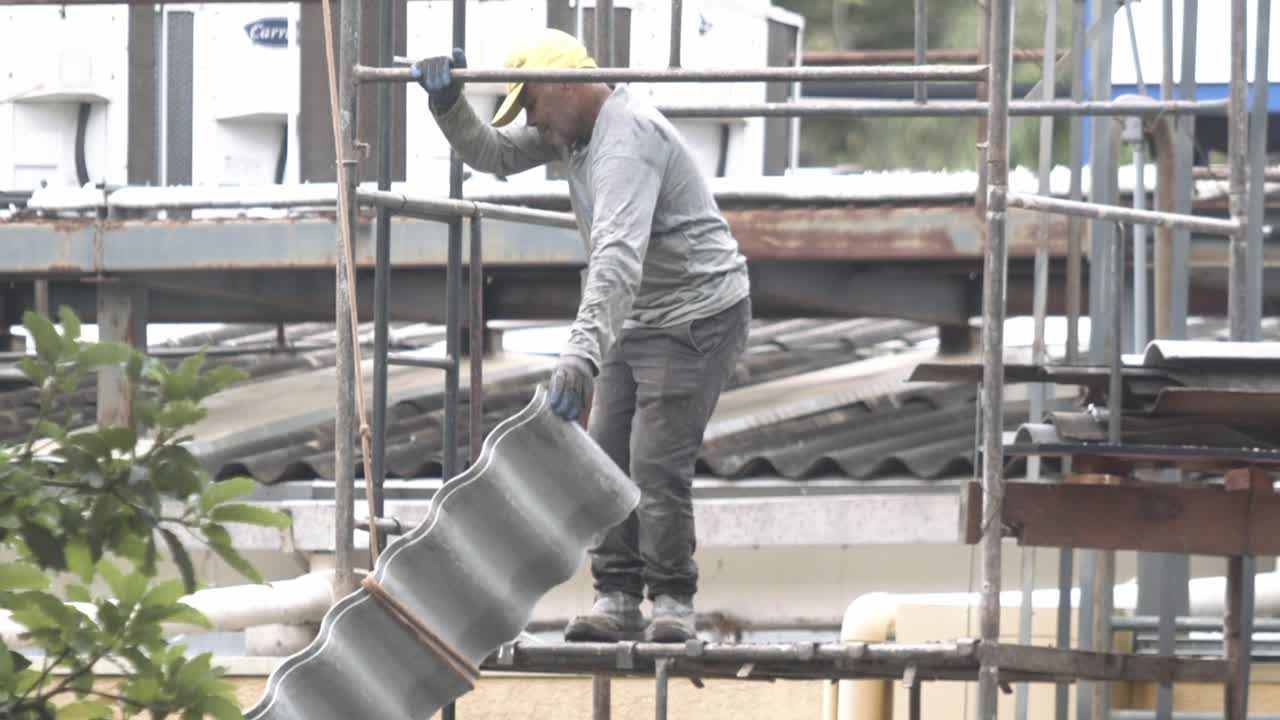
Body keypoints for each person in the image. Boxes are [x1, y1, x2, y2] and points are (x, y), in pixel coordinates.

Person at [414, 28, 751, 643]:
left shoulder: (625, 139)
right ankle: (617, 595)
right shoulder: (575, 134)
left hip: (697, 315)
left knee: (654, 461)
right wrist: (448, 108)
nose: (533, 123)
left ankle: (673, 599)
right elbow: (493, 153)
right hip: (640, 312)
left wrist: (580, 354)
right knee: (601, 457)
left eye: (534, 106)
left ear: (564, 85)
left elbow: (618, 256)